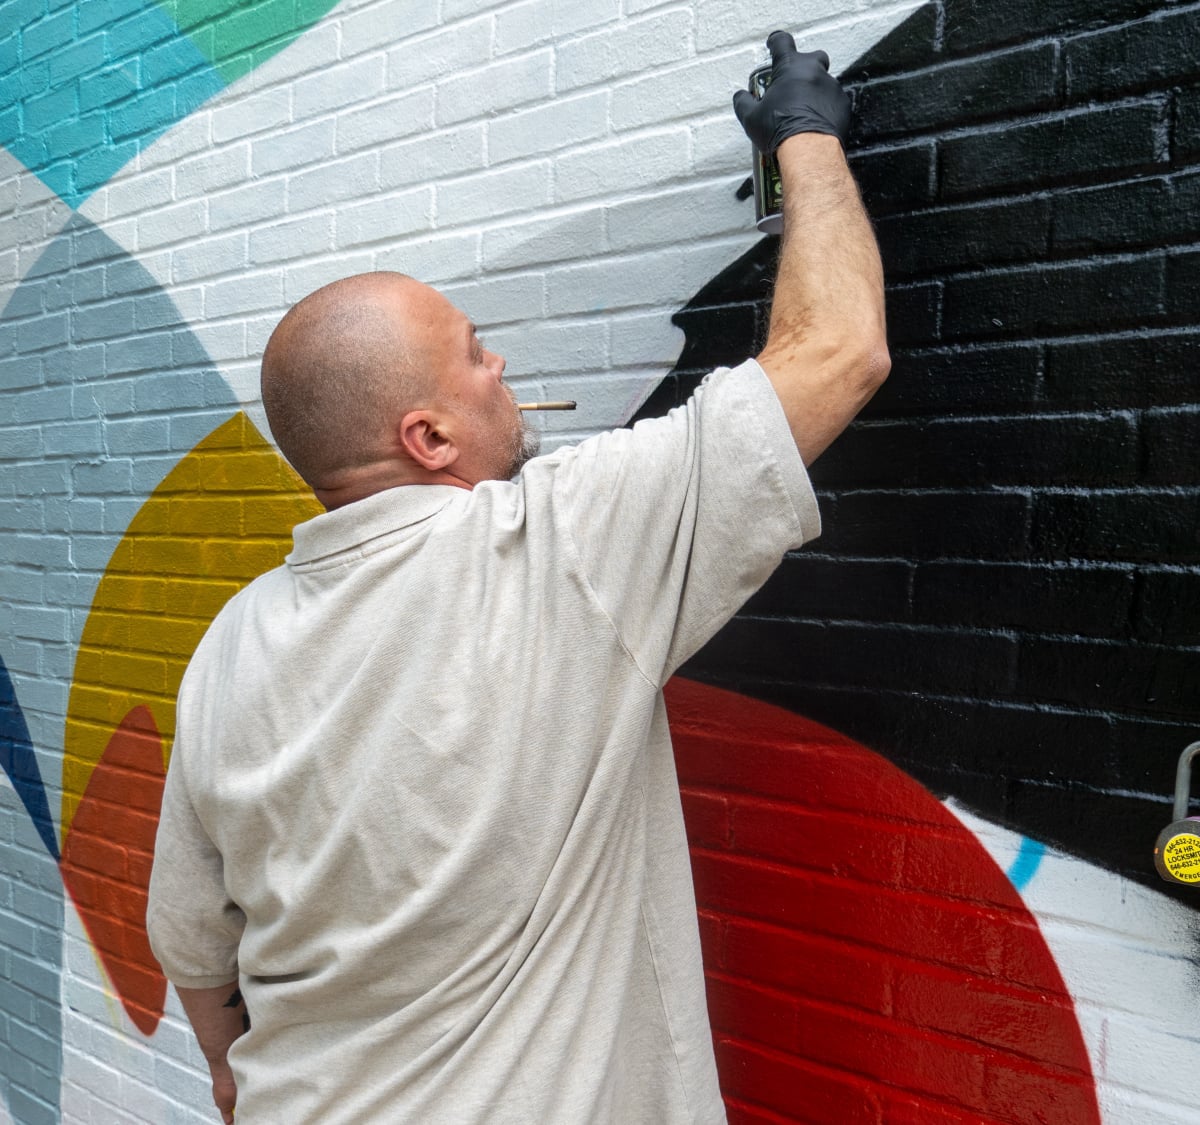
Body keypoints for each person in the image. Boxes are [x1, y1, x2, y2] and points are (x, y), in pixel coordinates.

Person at [146, 31, 889, 1124]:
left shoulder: (230, 640)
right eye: (476, 351)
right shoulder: (555, 546)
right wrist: (805, 137)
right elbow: (838, 352)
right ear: (429, 437)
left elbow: (193, 944)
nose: (501, 367)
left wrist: (228, 1074)